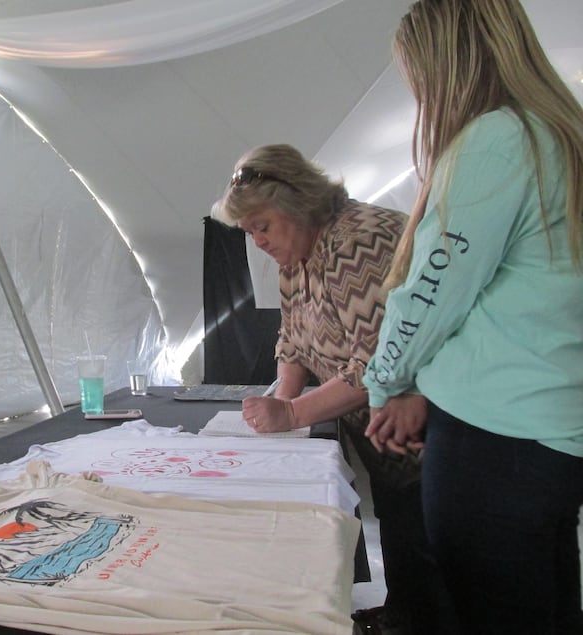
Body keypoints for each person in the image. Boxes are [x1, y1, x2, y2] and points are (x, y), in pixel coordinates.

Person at [363, 1, 583, 633]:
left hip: (498, 444)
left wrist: (389, 382)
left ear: (445, 64)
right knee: (543, 606)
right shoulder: (557, 132)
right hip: (545, 431)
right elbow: (512, 301)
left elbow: (433, 293)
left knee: (492, 610)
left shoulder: (499, 138)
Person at [211, 143, 446, 634]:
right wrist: (281, 399)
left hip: (431, 426)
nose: (257, 240)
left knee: (432, 537)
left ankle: (425, 619)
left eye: (262, 225)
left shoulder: (359, 240)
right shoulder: (299, 251)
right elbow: (292, 339)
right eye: (249, 230)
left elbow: (380, 360)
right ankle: (405, 613)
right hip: (383, 429)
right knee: (401, 522)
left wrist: (294, 416)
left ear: (296, 203)